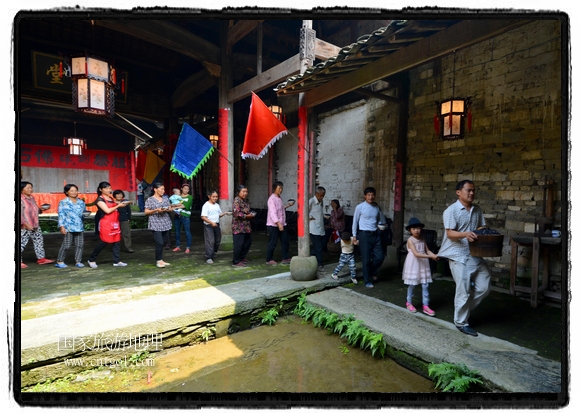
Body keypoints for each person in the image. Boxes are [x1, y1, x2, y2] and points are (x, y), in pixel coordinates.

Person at [437, 180, 491, 337]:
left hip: (475, 253)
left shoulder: (477, 209)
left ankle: (463, 311)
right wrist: (465, 234)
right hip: (458, 255)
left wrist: (482, 230)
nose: (472, 193)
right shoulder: (451, 211)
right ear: (458, 192)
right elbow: (450, 233)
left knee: (484, 287)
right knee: (463, 291)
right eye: (468, 190)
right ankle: (461, 322)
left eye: (473, 190)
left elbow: (481, 226)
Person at [87, 181, 129, 268]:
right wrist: (118, 206)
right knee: (104, 241)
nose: (109, 190)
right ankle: (91, 259)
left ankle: (117, 261)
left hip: (115, 222)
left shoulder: (110, 198)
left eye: (109, 188)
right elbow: (107, 211)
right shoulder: (99, 200)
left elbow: (115, 205)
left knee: (117, 241)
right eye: (106, 188)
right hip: (106, 223)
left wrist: (123, 203)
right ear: (100, 189)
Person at [402, 217, 438, 317]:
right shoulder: (410, 240)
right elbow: (416, 254)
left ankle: (426, 305)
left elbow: (427, 250)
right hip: (414, 263)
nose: (416, 230)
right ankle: (409, 302)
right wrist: (431, 257)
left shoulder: (422, 239)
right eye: (413, 229)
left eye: (418, 228)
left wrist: (434, 255)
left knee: (425, 284)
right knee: (413, 283)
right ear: (410, 230)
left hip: (423, 263)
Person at [352, 186, 385, 288]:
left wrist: (381, 226)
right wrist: (354, 236)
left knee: (380, 256)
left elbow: (379, 219)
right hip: (364, 235)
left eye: (372, 195)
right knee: (366, 259)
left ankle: (372, 272)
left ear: (375, 196)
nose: (371, 197)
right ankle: (367, 281)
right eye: (368, 195)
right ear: (365, 196)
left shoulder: (376, 207)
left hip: (375, 234)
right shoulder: (360, 207)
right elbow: (355, 221)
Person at [20, 181, 54, 268]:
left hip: (35, 224)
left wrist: (41, 209)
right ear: (21, 189)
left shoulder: (31, 198)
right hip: (24, 226)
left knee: (39, 242)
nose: (30, 189)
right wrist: (25, 223)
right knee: (21, 243)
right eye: (28, 188)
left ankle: (41, 258)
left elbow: (34, 211)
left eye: (31, 187)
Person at [55, 184, 86, 268]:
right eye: (71, 191)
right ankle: (60, 261)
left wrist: (85, 215)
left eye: (75, 190)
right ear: (66, 192)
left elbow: (83, 213)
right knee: (66, 245)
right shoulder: (63, 202)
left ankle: (78, 261)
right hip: (68, 227)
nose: (74, 192)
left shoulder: (81, 202)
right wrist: (61, 226)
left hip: (79, 226)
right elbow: (61, 215)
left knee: (80, 245)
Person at [144, 182, 174, 268]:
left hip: (165, 222)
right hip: (155, 223)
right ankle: (158, 260)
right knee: (159, 242)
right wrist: (156, 210)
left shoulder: (165, 198)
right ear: (155, 189)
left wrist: (169, 209)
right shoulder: (150, 200)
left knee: (162, 242)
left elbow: (169, 208)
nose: (163, 191)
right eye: (161, 189)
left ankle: (161, 259)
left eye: (164, 189)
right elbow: (146, 212)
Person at [265, 181, 294, 265]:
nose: (281, 190)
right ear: (275, 189)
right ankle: (269, 259)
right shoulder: (272, 199)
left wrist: (287, 205)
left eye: (282, 188)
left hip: (282, 223)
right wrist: (278, 223)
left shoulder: (279, 198)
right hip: (274, 225)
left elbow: (280, 209)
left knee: (285, 241)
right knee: (273, 242)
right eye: (279, 188)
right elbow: (273, 213)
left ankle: (285, 257)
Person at [201, 190, 230, 264]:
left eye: (216, 197)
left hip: (216, 225)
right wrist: (211, 222)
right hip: (208, 226)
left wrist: (225, 213)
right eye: (213, 196)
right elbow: (203, 217)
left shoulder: (217, 205)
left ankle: (213, 252)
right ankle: (209, 257)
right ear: (209, 196)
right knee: (210, 241)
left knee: (218, 240)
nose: (215, 198)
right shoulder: (206, 205)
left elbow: (218, 214)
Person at [232, 185, 254, 267]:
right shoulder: (237, 201)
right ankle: (236, 261)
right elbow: (237, 213)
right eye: (243, 191)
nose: (245, 193)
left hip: (246, 226)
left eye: (246, 191)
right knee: (239, 244)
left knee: (248, 241)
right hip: (238, 227)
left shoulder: (244, 201)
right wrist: (247, 216)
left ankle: (241, 257)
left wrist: (250, 214)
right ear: (239, 192)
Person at [309, 186, 326, 273]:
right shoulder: (311, 201)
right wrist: (310, 217)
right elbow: (304, 212)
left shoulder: (321, 202)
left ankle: (311, 255)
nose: (322, 197)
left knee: (322, 245)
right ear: (316, 194)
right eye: (321, 195)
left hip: (321, 227)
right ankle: (319, 264)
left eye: (323, 195)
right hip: (314, 228)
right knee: (318, 246)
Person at [173, 183, 193, 254]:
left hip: (186, 216)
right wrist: (175, 206)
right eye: (185, 189)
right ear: (181, 189)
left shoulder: (190, 197)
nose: (186, 190)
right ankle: (178, 246)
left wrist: (176, 206)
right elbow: (172, 203)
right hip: (177, 215)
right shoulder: (177, 196)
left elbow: (186, 206)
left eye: (187, 189)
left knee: (187, 232)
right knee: (177, 232)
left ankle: (188, 247)